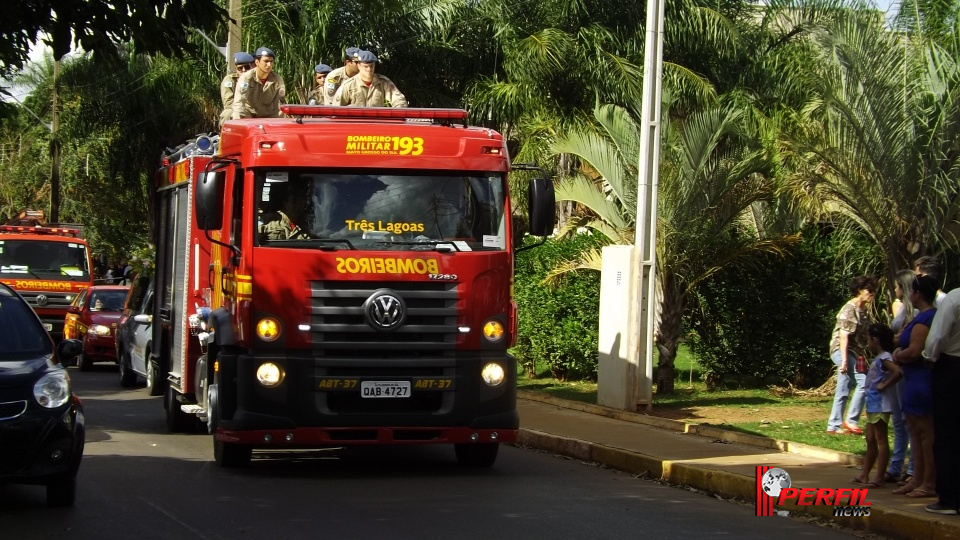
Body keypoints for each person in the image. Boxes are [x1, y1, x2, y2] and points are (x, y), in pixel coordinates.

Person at [892, 274, 938, 498]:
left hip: (920, 379)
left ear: (918, 294)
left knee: (925, 434)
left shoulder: (925, 319)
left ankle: (928, 481)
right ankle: (916, 478)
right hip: (911, 379)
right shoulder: (920, 317)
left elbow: (914, 351)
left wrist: (898, 353)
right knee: (915, 432)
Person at [923, 286, 960, 514]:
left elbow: (936, 337)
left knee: (947, 433)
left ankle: (949, 498)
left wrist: (929, 357)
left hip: (952, 367)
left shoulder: (955, 298)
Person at [827, 275, 878, 435]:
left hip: (855, 353)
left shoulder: (864, 311)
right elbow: (843, 336)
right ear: (859, 290)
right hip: (842, 350)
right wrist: (843, 361)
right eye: (869, 290)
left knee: (844, 387)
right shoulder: (849, 309)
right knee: (864, 383)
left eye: (873, 291)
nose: (872, 294)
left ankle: (834, 425)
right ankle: (850, 420)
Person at [854, 323, 902, 487]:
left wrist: (885, 385)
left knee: (881, 440)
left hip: (880, 404)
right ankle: (864, 474)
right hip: (872, 404)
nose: (868, 342)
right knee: (870, 439)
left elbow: (898, 372)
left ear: (875, 340)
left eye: (869, 339)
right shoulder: (879, 358)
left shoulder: (885, 357)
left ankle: (879, 475)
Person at [887, 269, 916, 483]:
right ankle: (896, 466)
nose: (894, 289)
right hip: (897, 367)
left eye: (897, 286)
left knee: (909, 421)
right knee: (898, 420)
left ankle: (913, 468)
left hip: (908, 370)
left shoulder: (915, 311)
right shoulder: (901, 309)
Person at [332, 50, 408, 107]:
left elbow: (400, 101)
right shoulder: (348, 85)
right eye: (365, 66)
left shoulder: (383, 82)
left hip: (376, 124)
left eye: (371, 66)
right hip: (356, 124)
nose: (369, 69)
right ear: (359, 65)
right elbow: (337, 108)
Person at [232, 47, 286, 120]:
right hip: (248, 115)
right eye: (266, 61)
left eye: (271, 61)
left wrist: (278, 125)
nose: (269, 64)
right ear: (257, 62)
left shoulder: (277, 80)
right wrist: (238, 123)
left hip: (267, 116)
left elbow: (279, 105)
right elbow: (239, 102)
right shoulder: (246, 78)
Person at [219, 51, 254, 127]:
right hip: (239, 109)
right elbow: (228, 102)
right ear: (236, 69)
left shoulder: (257, 79)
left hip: (256, 110)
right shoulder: (230, 80)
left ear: (252, 67)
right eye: (240, 68)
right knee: (228, 113)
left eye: (247, 67)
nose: (244, 70)